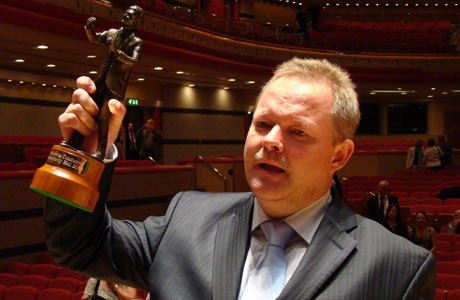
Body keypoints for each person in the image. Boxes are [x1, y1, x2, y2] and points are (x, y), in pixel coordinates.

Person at [44, 58, 435, 299]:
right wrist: (83, 153)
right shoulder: (188, 216)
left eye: (298, 132)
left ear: (340, 155)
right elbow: (76, 246)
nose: (272, 142)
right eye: (263, 124)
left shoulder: (396, 266)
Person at [80, 5, 143, 160]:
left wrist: (117, 52)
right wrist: (89, 28)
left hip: (115, 84)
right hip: (102, 78)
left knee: (103, 117)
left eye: (131, 15)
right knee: (88, 110)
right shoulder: (113, 33)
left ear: (137, 21)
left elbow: (133, 61)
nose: (126, 15)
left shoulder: (136, 41)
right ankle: (76, 142)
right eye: (126, 12)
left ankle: (101, 151)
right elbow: (95, 38)